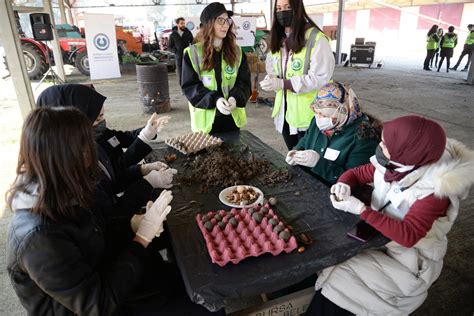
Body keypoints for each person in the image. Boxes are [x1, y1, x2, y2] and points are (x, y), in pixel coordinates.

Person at [6, 107, 175, 314]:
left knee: (176, 267)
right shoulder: (39, 238)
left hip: (106, 272)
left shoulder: (62, 189)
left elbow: (96, 231)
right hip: (98, 304)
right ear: (63, 157)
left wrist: (131, 225)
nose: (92, 154)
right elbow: (97, 305)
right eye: (85, 147)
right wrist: (141, 239)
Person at [306, 115, 474, 315]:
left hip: (410, 259)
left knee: (340, 285)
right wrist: (343, 183)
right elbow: (358, 173)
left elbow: (408, 235)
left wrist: (361, 210)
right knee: (326, 260)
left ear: (407, 151)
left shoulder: (435, 192)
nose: (380, 145)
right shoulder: (398, 162)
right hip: (379, 239)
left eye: (385, 144)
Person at [36, 84, 175, 192]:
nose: (102, 120)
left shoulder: (99, 132)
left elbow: (121, 139)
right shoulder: (82, 154)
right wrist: (147, 180)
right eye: (97, 118)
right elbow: (114, 173)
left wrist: (148, 130)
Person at [260, 0, 335, 150]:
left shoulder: (316, 39)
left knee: (310, 164)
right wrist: (271, 79)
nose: (283, 12)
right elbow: (272, 68)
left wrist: (283, 84)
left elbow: (321, 78)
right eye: (279, 8)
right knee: (294, 159)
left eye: (288, 7)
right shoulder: (277, 39)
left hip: (310, 117)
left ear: (298, 8)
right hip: (285, 114)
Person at [285, 82, 381, 186]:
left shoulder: (364, 137)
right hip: (310, 184)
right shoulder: (318, 122)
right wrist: (296, 151)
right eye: (317, 113)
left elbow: (354, 180)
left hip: (336, 193)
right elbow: (305, 140)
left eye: (325, 115)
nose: (320, 119)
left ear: (344, 111)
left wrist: (318, 163)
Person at [181, 2, 251, 134]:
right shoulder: (192, 53)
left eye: (227, 20)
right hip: (206, 123)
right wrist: (215, 100)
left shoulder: (237, 52)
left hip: (231, 120)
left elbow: (245, 83)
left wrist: (235, 98)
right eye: (220, 21)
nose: (225, 25)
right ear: (209, 24)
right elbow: (190, 87)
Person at [168, 17, 194, 84]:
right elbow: (169, 47)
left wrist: (192, 50)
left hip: (187, 56)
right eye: (181, 23)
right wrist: (176, 52)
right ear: (177, 24)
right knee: (180, 73)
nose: (183, 25)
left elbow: (193, 42)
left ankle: (188, 86)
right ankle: (182, 88)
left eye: (184, 23)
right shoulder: (173, 35)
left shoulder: (188, 33)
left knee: (188, 72)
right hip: (179, 57)